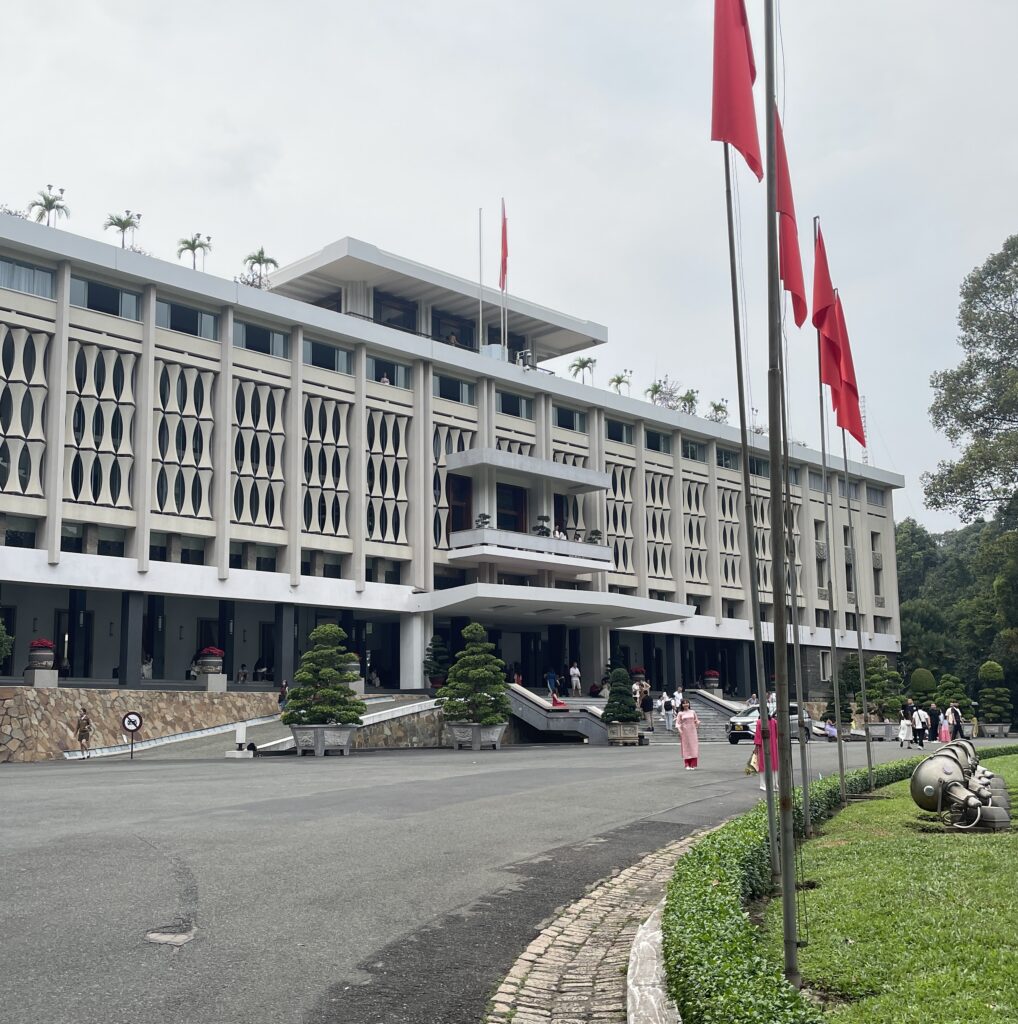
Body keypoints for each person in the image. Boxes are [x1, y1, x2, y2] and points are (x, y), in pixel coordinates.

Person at [754, 712, 779, 791]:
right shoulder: (774, 722)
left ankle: (763, 784)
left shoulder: (759, 722)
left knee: (763, 765)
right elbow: (777, 734)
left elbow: (758, 735)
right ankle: (774, 784)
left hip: (763, 745)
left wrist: (756, 746)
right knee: (774, 764)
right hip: (773, 745)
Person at [676, 699, 701, 769]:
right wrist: (679, 730)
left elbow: (696, 720)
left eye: (687, 703)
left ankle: (693, 764)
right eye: (684, 703)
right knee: (686, 747)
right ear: (682, 705)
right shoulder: (680, 713)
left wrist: (698, 723)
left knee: (693, 746)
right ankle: (687, 764)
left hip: (693, 731)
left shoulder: (693, 712)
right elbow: (678, 723)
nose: (686, 704)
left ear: (689, 704)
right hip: (685, 732)